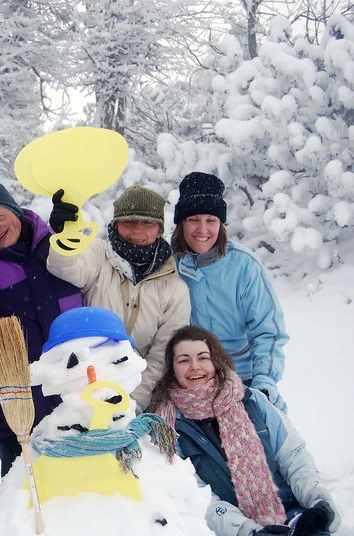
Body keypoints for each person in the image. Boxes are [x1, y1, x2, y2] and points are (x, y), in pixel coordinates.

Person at [149, 326, 339, 536]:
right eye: (183, 360)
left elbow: (293, 457)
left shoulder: (253, 401)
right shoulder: (166, 428)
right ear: (172, 369)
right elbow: (196, 497)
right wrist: (249, 531)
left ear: (216, 361)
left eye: (203, 357)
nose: (195, 367)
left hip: (295, 519)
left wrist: (318, 502)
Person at [0, 181, 83, 477]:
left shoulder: (60, 244)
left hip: (78, 398)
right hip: (18, 411)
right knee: (24, 506)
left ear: (14, 208)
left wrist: (70, 231)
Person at [46, 185, 191, 411]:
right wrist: (64, 235)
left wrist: (132, 402)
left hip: (141, 398)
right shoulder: (97, 254)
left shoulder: (174, 287)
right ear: (115, 224)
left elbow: (162, 354)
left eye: (147, 223)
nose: (137, 231)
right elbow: (65, 268)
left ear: (160, 229)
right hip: (87, 388)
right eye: (129, 222)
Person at [171, 172, 289, 411]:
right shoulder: (168, 264)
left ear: (221, 224)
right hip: (187, 381)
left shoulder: (244, 266)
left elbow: (268, 331)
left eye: (211, 220)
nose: (202, 229)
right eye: (193, 219)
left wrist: (263, 380)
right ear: (182, 222)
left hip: (241, 377)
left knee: (269, 440)